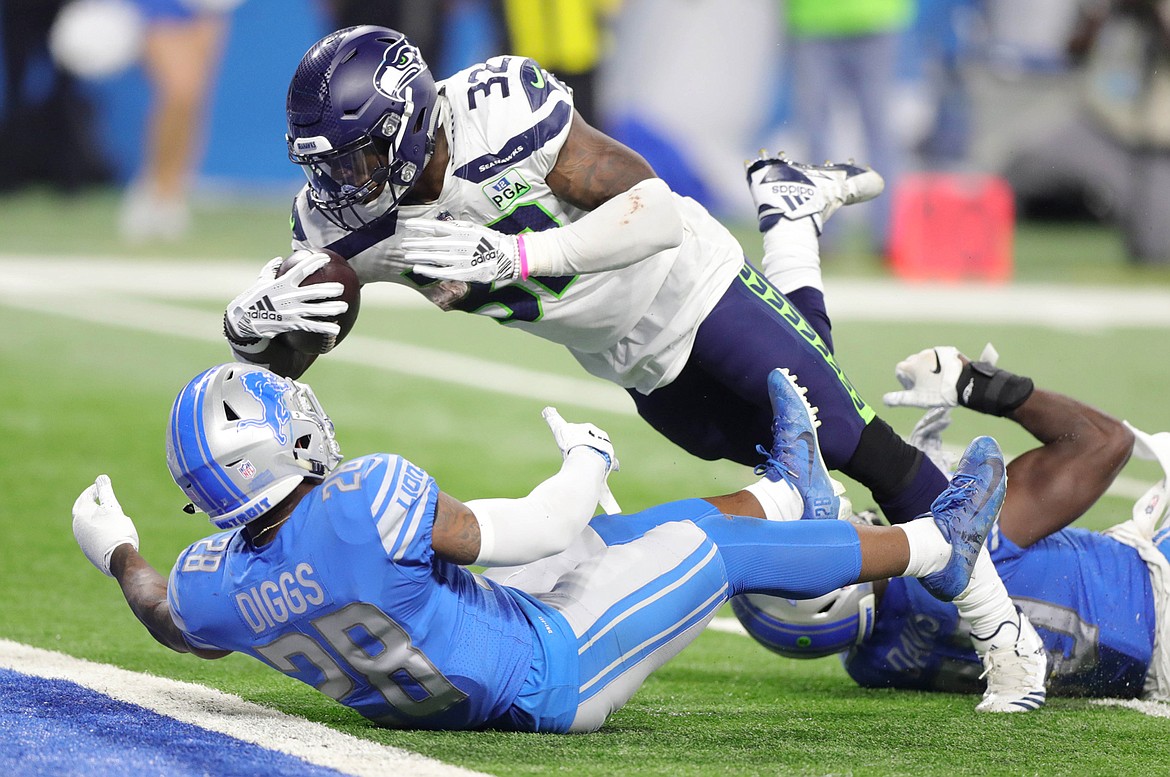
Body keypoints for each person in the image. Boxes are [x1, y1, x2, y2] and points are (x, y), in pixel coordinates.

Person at [219, 25, 1046, 709]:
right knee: (792, 451)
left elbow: (654, 211)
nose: (340, 183)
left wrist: (517, 255)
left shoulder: (498, 112)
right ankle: (792, 217)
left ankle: (1008, 639)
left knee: (862, 448)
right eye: (324, 165)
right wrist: (250, 326)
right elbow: (291, 360)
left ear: (406, 124)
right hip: (630, 358)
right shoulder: (339, 220)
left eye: (355, 158)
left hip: (696, 286)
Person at [72, 361, 1008, 731]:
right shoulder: (362, 499)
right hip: (549, 670)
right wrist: (585, 456)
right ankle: (939, 544)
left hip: (464, 666)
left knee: (619, 539)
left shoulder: (212, 582)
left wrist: (117, 548)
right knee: (711, 548)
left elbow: (161, 613)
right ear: (277, 445)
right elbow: (542, 524)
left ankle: (787, 492)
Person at [741, 345, 1170, 705]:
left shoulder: (872, 665)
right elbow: (1104, 442)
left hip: (1145, 674)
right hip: (1156, 589)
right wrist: (977, 384)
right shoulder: (969, 538)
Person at [118, 0, 241, 242]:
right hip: (158, 5)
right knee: (180, 89)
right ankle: (152, 186)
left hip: (205, 8)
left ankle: (172, 192)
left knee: (195, 99)